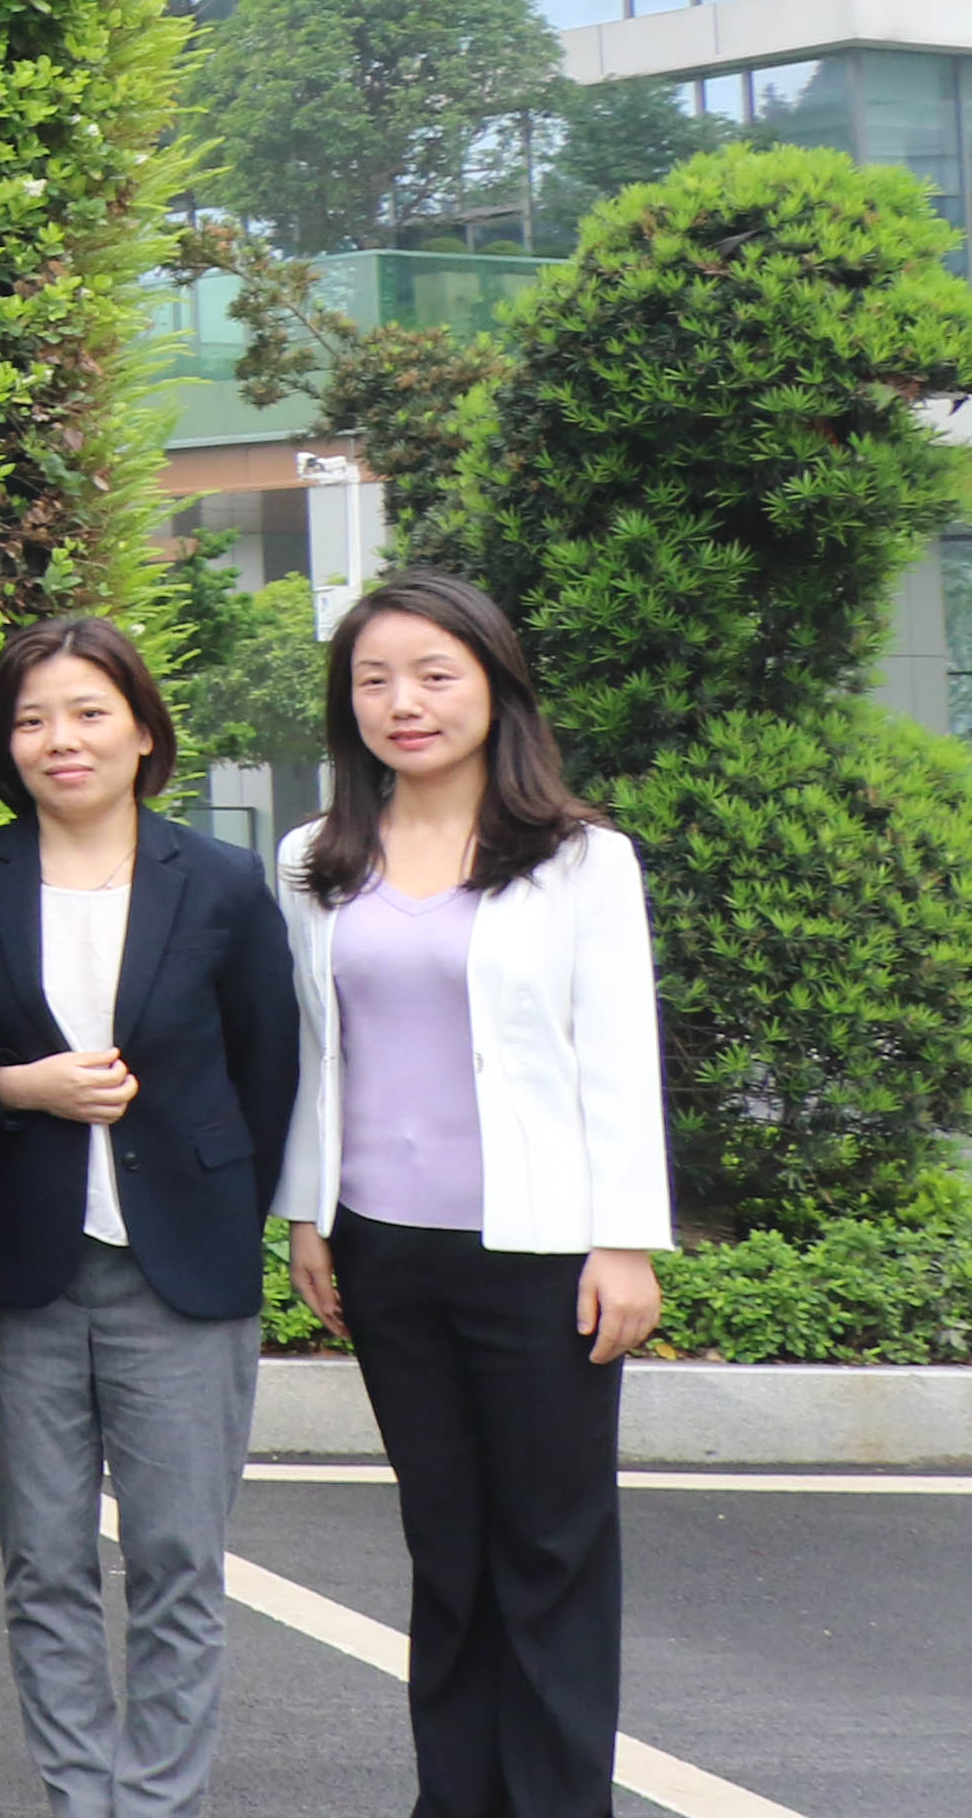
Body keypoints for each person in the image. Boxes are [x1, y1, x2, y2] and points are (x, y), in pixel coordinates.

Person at [277, 573, 669, 1818]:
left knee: (550, 1551)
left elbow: (618, 1055)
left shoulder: (581, 862)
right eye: (374, 680)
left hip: (541, 1255)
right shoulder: (314, 859)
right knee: (445, 1549)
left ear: (495, 687)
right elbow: (318, 1054)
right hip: (384, 1251)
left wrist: (624, 1242)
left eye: (435, 675)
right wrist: (307, 1215)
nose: (405, 703)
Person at [0, 613, 299, 1818]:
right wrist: (19, 1088)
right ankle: (76, 1800)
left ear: (143, 730)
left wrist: (229, 1213)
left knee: (178, 1564)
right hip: (20, 1270)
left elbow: (267, 1070)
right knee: (43, 1563)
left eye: (89, 712)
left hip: (182, 1273)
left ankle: (155, 1805)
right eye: (32, 719)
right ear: (6, 743)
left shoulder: (222, 882)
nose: (62, 739)